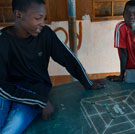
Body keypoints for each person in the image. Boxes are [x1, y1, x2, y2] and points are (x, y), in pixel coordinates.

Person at [0, 0, 104, 133]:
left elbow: (68, 58)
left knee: (9, 130)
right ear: (19, 14)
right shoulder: (2, 41)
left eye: (43, 18)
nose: (42, 23)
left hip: (34, 91)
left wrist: (87, 82)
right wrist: (40, 102)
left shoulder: (45, 34)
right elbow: (1, 86)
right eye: (38, 18)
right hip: (7, 92)